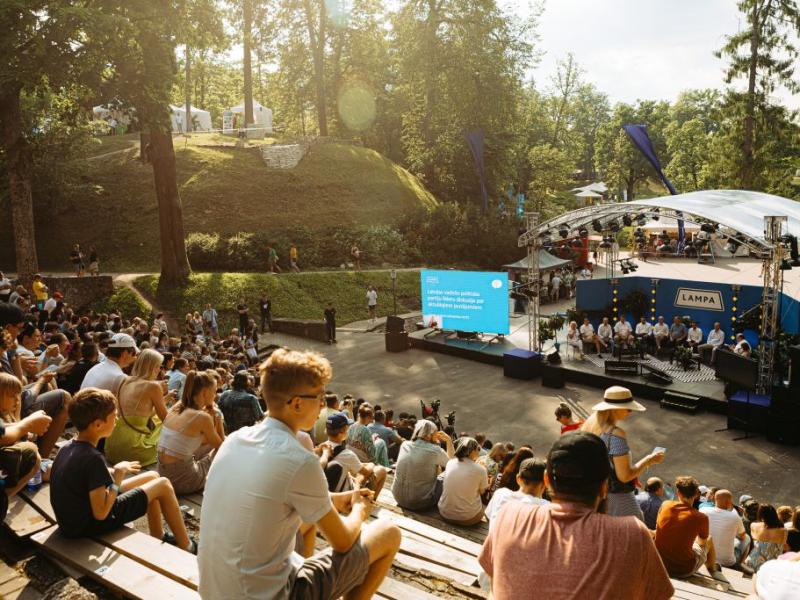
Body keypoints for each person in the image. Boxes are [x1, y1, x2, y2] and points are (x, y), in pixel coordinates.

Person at [197, 348, 401, 600]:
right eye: (319, 397)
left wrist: (336, 499)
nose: (322, 405)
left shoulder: (235, 440)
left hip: (215, 591)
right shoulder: (299, 460)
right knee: (388, 532)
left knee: (308, 522)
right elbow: (344, 542)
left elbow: (275, 493)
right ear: (297, 403)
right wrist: (360, 508)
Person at [479, 432, 674, 600]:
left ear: (546, 480)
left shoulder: (509, 514)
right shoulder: (634, 534)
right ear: (605, 487)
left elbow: (492, 579)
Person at [50, 388, 195, 552]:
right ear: (98, 424)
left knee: (153, 476)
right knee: (163, 484)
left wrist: (113, 471)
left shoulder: (68, 447)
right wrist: (118, 477)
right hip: (89, 526)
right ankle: (186, 546)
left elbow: (85, 476)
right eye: (114, 416)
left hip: (73, 521)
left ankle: (158, 535)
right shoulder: (92, 458)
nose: (117, 419)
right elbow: (101, 513)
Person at [582, 386, 665, 520]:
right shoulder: (616, 434)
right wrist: (649, 460)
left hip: (596, 496)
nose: (630, 412)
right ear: (614, 409)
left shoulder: (591, 428)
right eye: (628, 408)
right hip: (619, 499)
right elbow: (625, 476)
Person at [655, 476, 730, 587]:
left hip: (659, 563)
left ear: (678, 492)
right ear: (696, 495)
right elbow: (703, 543)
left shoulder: (665, 505)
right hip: (683, 570)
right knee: (708, 538)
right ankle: (713, 569)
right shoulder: (701, 517)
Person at [157, 370, 225, 494]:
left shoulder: (177, 407)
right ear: (205, 392)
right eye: (214, 391)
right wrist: (218, 416)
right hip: (185, 481)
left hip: (163, 473)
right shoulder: (201, 417)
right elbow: (221, 446)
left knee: (207, 445)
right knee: (223, 449)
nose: (215, 395)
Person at [104, 349, 170, 467]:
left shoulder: (124, 380)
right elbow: (166, 419)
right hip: (133, 450)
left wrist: (165, 399)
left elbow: (138, 413)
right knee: (166, 424)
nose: (159, 370)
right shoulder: (153, 386)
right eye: (158, 366)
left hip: (111, 446)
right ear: (152, 367)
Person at [0, 374, 50, 498]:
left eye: (18, 395)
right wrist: (28, 425)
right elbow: (6, 438)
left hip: (19, 464)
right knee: (53, 469)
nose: (17, 400)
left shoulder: (8, 413)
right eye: (12, 396)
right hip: (11, 468)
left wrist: (27, 430)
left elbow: (15, 429)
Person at [392, 419, 454, 510]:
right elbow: (453, 465)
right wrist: (449, 441)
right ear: (429, 435)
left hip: (398, 497)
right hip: (420, 502)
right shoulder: (435, 450)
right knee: (448, 473)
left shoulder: (404, 444)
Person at [322, 413, 386, 496]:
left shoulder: (321, 447)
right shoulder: (348, 455)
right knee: (382, 470)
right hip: (347, 495)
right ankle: (370, 502)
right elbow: (366, 473)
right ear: (343, 431)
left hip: (329, 493)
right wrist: (371, 464)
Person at [484, 457, 548, 528]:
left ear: (518, 478)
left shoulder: (501, 493)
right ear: (545, 483)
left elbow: (488, 516)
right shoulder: (547, 508)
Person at [438, 437, 488, 526]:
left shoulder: (450, 462)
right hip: (466, 518)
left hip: (444, 512)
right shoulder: (481, 469)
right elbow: (482, 491)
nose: (479, 451)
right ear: (472, 451)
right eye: (478, 449)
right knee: (485, 507)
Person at [700, 489, 750, 571]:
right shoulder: (735, 517)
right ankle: (739, 564)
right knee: (747, 538)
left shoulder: (703, 511)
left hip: (705, 556)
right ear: (728, 502)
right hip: (727, 562)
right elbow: (743, 536)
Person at [746, 504, 790, 572]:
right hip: (771, 565)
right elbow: (783, 546)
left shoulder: (754, 526)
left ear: (760, 515)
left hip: (753, 561)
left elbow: (754, 538)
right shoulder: (784, 531)